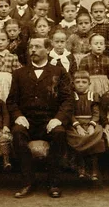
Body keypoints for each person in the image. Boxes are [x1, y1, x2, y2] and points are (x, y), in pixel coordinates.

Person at [7, 37, 74, 198]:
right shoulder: (19, 73)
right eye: (31, 47)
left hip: (49, 120)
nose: (33, 50)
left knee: (59, 133)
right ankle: (28, 181)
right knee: (17, 133)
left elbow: (68, 99)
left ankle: (53, 182)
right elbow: (11, 101)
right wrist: (18, 116)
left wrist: (58, 118)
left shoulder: (58, 72)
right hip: (27, 120)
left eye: (37, 47)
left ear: (47, 50)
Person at [66, 71, 105, 181]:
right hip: (76, 123)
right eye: (77, 82)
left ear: (89, 83)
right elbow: (70, 114)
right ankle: (81, 167)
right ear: (73, 84)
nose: (81, 84)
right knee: (78, 137)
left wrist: (92, 125)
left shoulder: (93, 96)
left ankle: (94, 168)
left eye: (84, 82)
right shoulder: (71, 97)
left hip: (90, 122)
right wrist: (77, 126)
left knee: (96, 136)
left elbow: (96, 113)